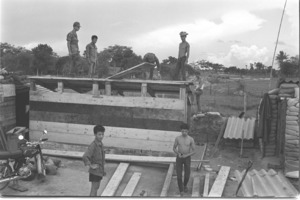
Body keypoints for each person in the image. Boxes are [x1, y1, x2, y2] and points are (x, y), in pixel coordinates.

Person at [173, 123, 195, 197]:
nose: (184, 133)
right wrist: (178, 153)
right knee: (179, 176)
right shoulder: (178, 138)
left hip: (187, 158)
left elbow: (194, 151)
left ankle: (185, 185)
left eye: (185, 131)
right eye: (182, 131)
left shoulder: (191, 139)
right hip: (179, 157)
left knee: (187, 175)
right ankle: (181, 190)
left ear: (188, 131)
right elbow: (174, 148)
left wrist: (186, 155)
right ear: (180, 131)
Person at [82, 125, 106, 196]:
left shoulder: (101, 144)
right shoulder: (93, 145)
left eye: (102, 134)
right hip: (94, 172)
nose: (101, 136)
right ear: (95, 134)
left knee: (97, 187)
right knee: (94, 189)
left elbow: (101, 159)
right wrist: (91, 165)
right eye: (99, 134)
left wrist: (102, 170)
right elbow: (85, 156)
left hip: (99, 171)